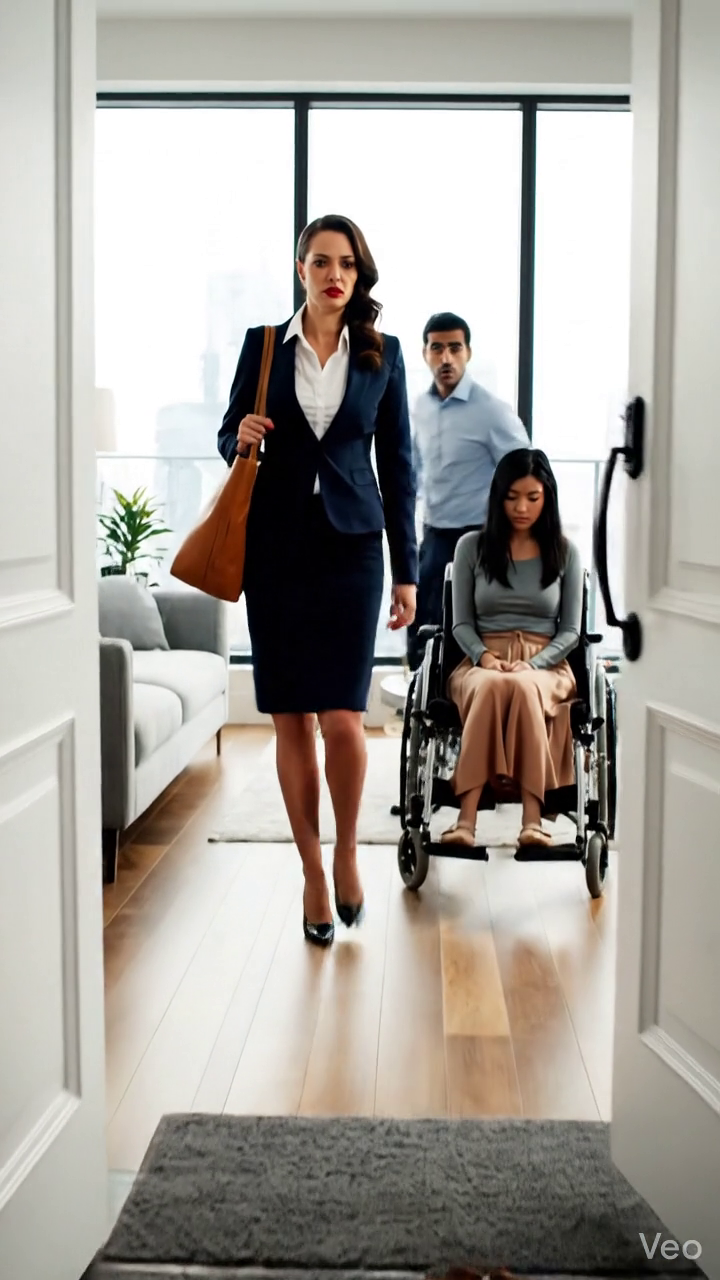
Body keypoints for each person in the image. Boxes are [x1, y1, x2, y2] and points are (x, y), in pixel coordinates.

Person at [217, 214, 417, 947]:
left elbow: (399, 467)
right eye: (321, 261)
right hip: (276, 548)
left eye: (348, 264)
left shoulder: (383, 355)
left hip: (354, 550)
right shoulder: (264, 347)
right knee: (290, 717)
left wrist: (409, 573)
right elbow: (228, 429)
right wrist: (235, 436)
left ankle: (345, 850)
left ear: (360, 276)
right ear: (300, 268)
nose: (335, 274)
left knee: (342, 715)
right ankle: (309, 869)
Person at [442, 448, 582, 849]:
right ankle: (465, 823)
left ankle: (532, 821)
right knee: (488, 685)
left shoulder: (565, 552)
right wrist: (486, 657)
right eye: (512, 497)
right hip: (482, 658)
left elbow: (570, 631)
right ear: (498, 497)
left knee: (523, 687)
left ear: (547, 498)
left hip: (547, 665)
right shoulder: (472, 547)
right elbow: (462, 623)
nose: (522, 507)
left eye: (533, 498)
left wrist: (533, 664)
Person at [407, 313, 528, 670]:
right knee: (424, 617)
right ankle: (422, 699)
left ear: (468, 352)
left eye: (455, 348)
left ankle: (471, 701)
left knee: (469, 624)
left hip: (480, 535)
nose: (446, 358)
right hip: (434, 532)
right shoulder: (421, 407)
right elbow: (413, 468)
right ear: (426, 353)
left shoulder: (491, 411)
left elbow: (524, 471)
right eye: (437, 348)